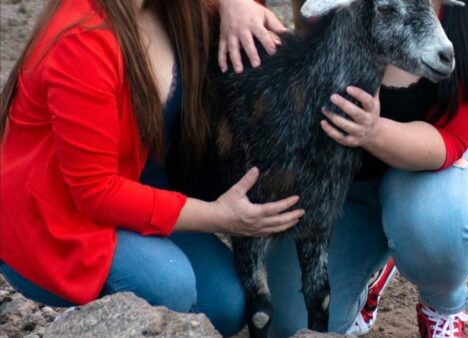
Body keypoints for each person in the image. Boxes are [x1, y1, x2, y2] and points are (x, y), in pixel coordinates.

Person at [0, 0, 298, 336]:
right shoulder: (82, 37)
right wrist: (220, 216)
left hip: (134, 184)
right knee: (171, 285)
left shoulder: (166, 7)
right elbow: (95, 192)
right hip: (54, 219)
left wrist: (235, 3)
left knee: (226, 306)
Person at [255, 0, 468, 337]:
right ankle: (374, 267)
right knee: (291, 325)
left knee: (433, 222)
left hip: (439, 164)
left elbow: (451, 140)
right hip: (346, 175)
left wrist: (372, 131)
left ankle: (442, 304)